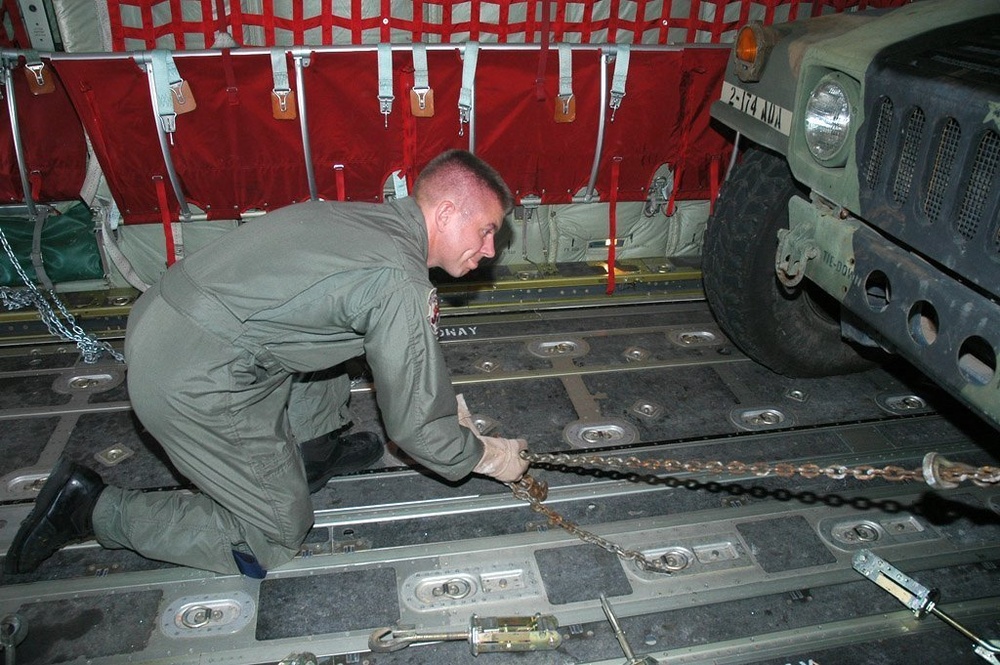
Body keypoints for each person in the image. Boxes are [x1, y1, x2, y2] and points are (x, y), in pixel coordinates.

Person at [3, 149, 530, 578]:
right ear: (443, 213)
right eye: (485, 230)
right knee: (274, 536)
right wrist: (482, 454)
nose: (489, 251)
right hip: (194, 378)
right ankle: (91, 508)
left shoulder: (367, 219)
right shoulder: (397, 278)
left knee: (340, 330)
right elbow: (418, 427)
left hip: (166, 322)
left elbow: (375, 337)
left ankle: (313, 448)